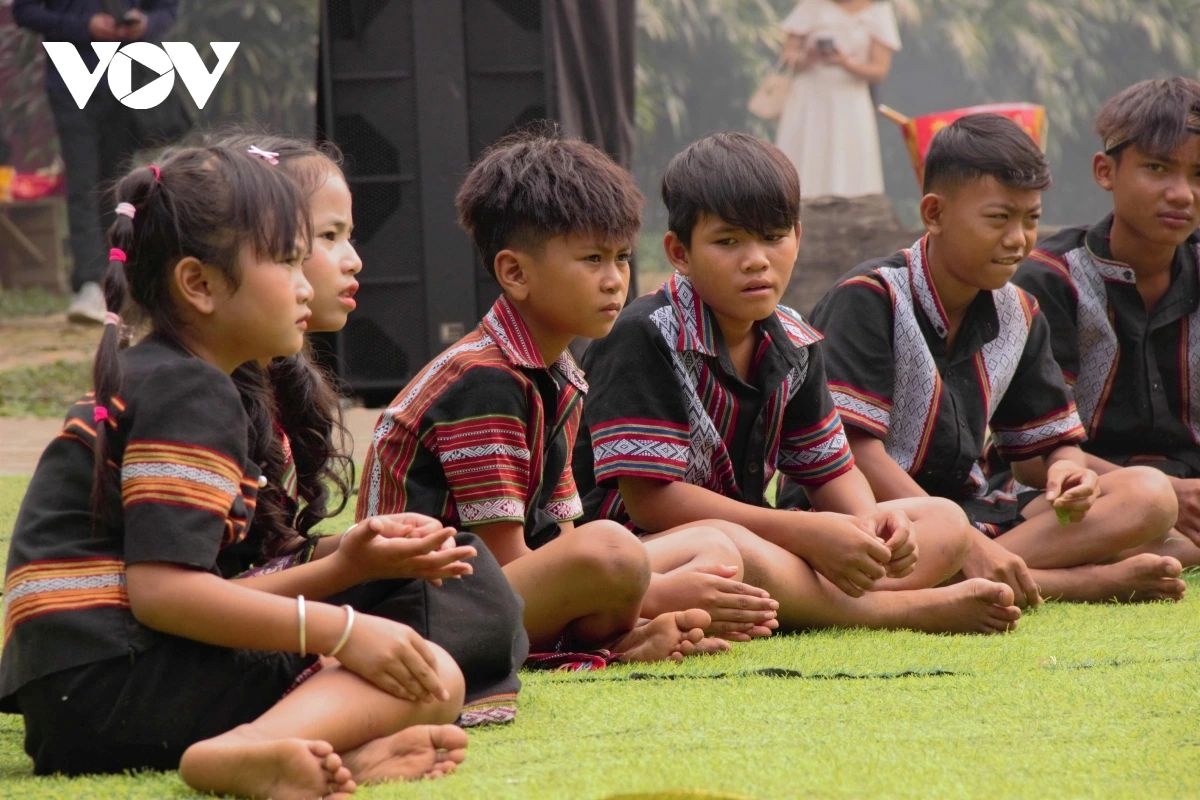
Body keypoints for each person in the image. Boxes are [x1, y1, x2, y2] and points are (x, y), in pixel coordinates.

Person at [0, 144, 471, 798]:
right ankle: (250, 748)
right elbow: (163, 594)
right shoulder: (193, 394)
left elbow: (182, 592)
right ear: (199, 285)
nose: (306, 283)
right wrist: (345, 628)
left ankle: (329, 760)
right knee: (433, 671)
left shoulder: (160, 378)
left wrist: (344, 571)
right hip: (121, 685)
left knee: (402, 656)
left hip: (80, 697)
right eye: (285, 260)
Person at [575, 130, 1022, 636]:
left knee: (942, 520)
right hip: (656, 552)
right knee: (727, 547)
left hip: (760, 542)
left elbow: (830, 471)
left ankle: (821, 600)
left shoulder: (793, 339)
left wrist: (871, 527)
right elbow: (650, 502)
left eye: (773, 237)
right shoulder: (645, 333)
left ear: (798, 238)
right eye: (728, 242)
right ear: (679, 251)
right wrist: (805, 532)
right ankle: (901, 611)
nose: (756, 260)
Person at [359, 130, 783, 662]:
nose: (615, 282)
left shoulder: (559, 373)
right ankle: (633, 626)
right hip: (422, 613)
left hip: (502, 593)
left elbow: (558, 540)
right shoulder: (483, 379)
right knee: (611, 548)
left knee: (714, 544)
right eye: (591, 260)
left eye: (622, 258)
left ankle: (624, 633)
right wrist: (657, 593)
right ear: (515, 272)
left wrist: (627, 584)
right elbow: (503, 563)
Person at [809, 113, 1186, 604]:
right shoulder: (871, 297)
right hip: (874, 519)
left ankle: (984, 564)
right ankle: (1075, 581)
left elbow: (1042, 453)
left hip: (973, 510)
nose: (1019, 239)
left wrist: (1068, 473)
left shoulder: (1018, 310)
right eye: (998, 218)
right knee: (1172, 543)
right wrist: (956, 536)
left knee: (1151, 497)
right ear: (934, 213)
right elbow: (855, 453)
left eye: (1030, 219)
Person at [218, 133, 528, 726]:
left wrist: (364, 547)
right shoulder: (195, 396)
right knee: (475, 597)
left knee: (463, 566)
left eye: (348, 235)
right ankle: (329, 713)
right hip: (195, 640)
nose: (354, 259)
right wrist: (348, 570)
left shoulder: (281, 382)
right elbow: (192, 591)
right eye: (325, 238)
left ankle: (376, 696)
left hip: (252, 612)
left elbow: (267, 558)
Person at [1012, 78, 1200, 570]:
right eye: (1157, 168)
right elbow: (1030, 457)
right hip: (1077, 495)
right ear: (1105, 171)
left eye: (1199, 174)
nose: (1182, 194)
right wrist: (1171, 496)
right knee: (1148, 502)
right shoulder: (1052, 279)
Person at [13, 0, 184, 325]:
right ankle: (90, 283)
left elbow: (168, 10)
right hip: (72, 78)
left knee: (118, 184)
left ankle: (119, 280)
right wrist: (86, 26)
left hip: (128, 78)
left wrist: (143, 24)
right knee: (82, 184)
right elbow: (26, 11)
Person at [774, 0, 900, 198]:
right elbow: (787, 56)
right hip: (808, 98)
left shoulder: (877, 13)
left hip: (850, 100)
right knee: (804, 157)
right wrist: (810, 56)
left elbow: (879, 71)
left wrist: (845, 63)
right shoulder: (811, 7)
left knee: (850, 162)